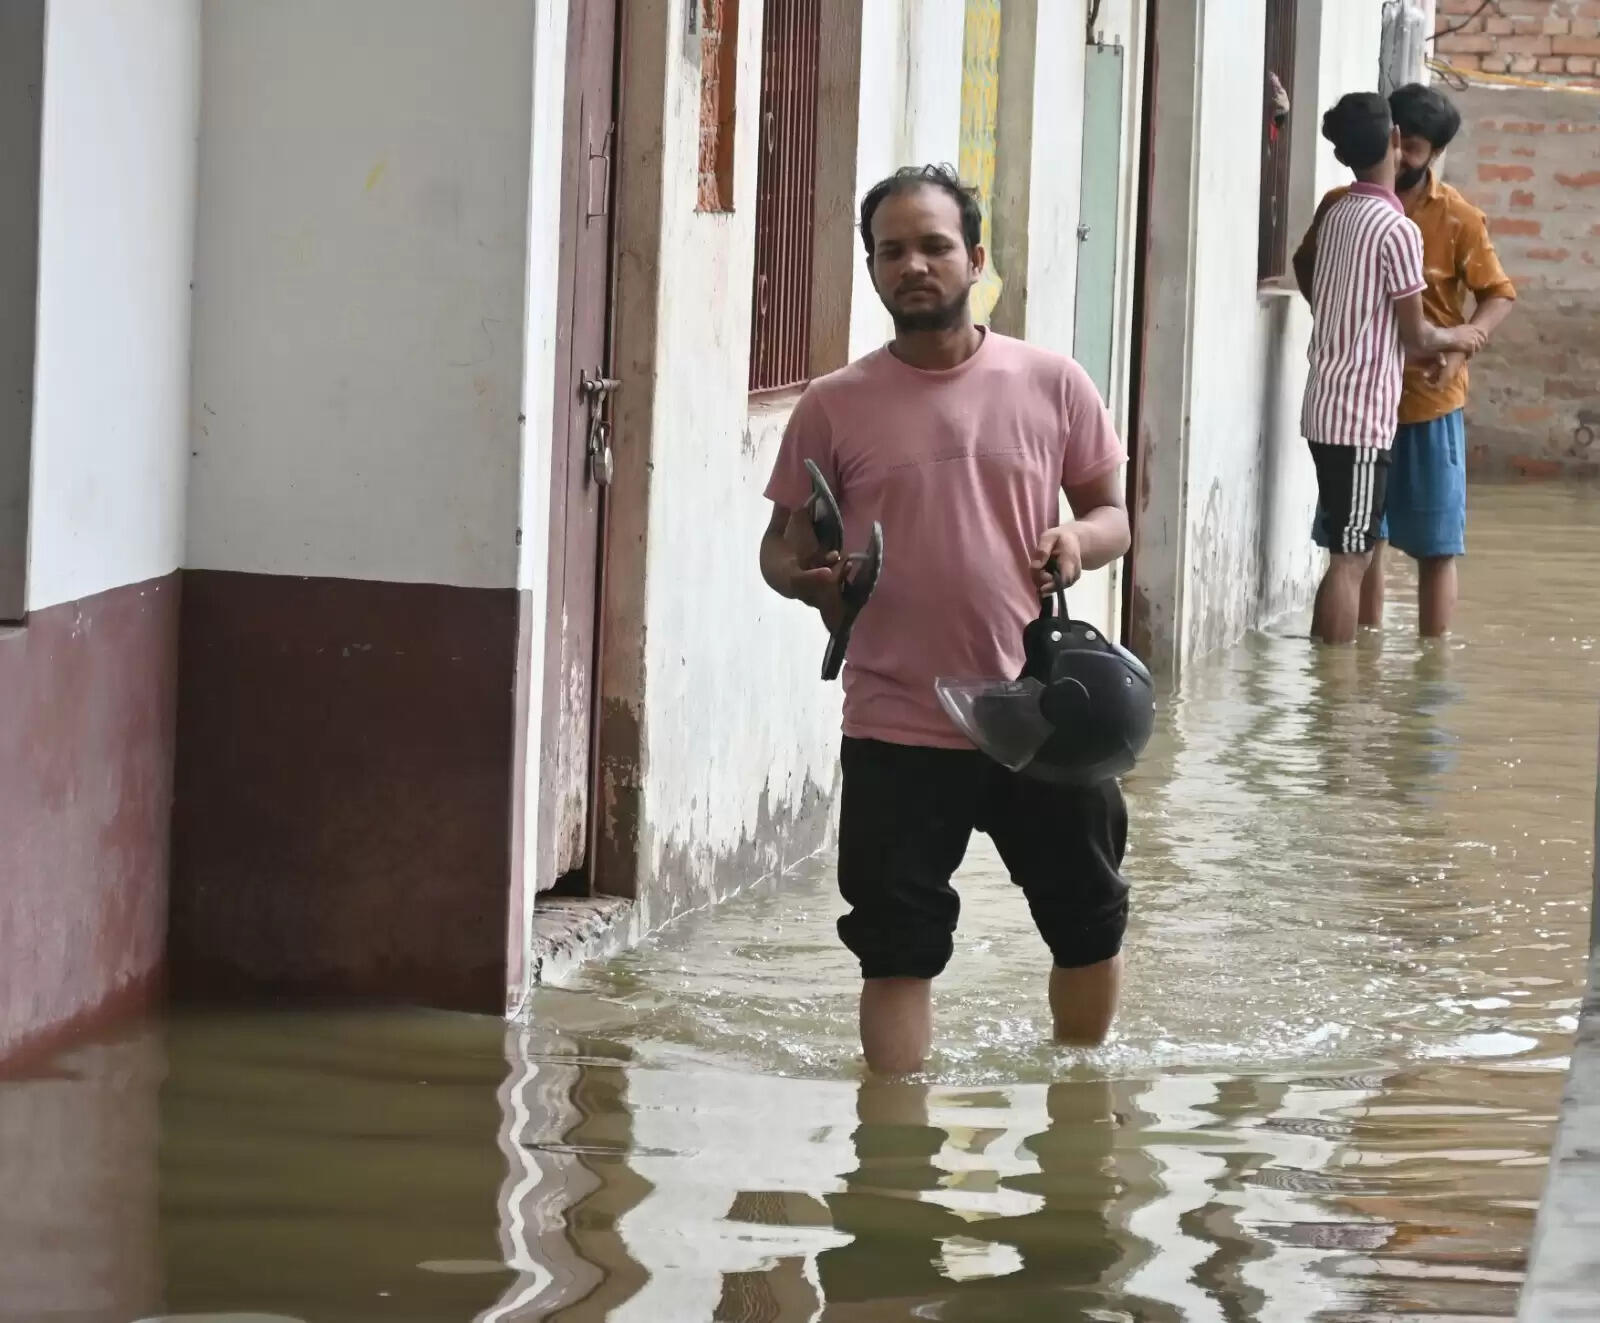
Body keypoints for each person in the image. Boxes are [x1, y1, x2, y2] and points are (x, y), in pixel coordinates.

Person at [758, 164, 1132, 1075]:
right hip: (895, 720)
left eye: (934, 246)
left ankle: (1077, 1117)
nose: (914, 265)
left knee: (1087, 922)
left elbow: (1115, 511)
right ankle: (894, 1163)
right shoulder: (833, 405)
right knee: (896, 944)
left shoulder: (1052, 382)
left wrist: (1077, 542)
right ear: (874, 270)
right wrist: (812, 581)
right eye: (893, 251)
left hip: (1041, 715)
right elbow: (777, 549)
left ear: (975, 258)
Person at [1294, 84, 1515, 638]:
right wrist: (1356, 323)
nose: (1403, 156)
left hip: (1426, 403)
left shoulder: (1459, 218)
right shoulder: (1361, 213)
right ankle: (1356, 658)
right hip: (1369, 406)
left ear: (1433, 153)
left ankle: (1426, 665)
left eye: (1415, 148)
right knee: (1363, 545)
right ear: (1388, 136)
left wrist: (1467, 341)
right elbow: (1311, 269)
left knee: (1435, 545)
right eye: (1401, 143)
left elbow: (1499, 293)